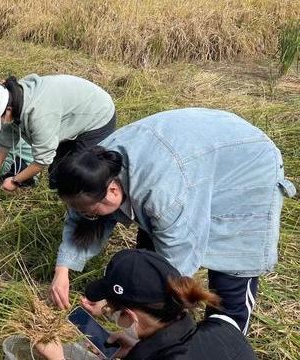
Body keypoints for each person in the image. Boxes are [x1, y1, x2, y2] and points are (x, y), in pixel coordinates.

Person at [49, 108, 296, 335]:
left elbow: (178, 259)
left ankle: (223, 341)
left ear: (113, 191)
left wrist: (117, 303)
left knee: (231, 271)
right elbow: (81, 215)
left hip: (245, 164)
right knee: (150, 257)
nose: (89, 216)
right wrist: (63, 271)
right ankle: (151, 325)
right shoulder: (92, 168)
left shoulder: (163, 193)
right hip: (193, 155)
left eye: (91, 212)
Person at [36, 249, 257, 360]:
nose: (111, 314)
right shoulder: (224, 325)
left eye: (112, 311)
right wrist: (137, 348)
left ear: (132, 318)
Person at [0, 74, 116, 192]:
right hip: (69, 113)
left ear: (9, 110)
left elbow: (42, 160)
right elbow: (3, 144)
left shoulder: (39, 116)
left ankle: (77, 211)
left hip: (97, 115)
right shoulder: (11, 99)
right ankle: (60, 199)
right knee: (56, 172)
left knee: (78, 173)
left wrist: (15, 180)